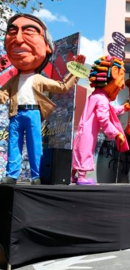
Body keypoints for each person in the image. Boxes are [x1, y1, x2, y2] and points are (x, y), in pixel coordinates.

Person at [0, 13, 86, 185]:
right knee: (13, 145)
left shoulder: (38, 78)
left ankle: (35, 175)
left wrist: (76, 72)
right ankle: (12, 175)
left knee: (34, 145)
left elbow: (62, 86)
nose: (18, 39)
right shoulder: (13, 80)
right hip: (16, 114)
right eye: (13, 32)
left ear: (47, 47)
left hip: (33, 113)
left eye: (29, 31)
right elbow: (2, 95)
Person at [71, 56, 130, 185]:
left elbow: (110, 110)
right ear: (114, 73)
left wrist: (123, 108)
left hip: (83, 129)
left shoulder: (96, 96)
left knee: (78, 151)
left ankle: (72, 176)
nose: (123, 84)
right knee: (85, 151)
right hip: (89, 132)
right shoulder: (102, 99)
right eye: (121, 76)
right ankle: (81, 177)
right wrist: (116, 133)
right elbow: (103, 118)